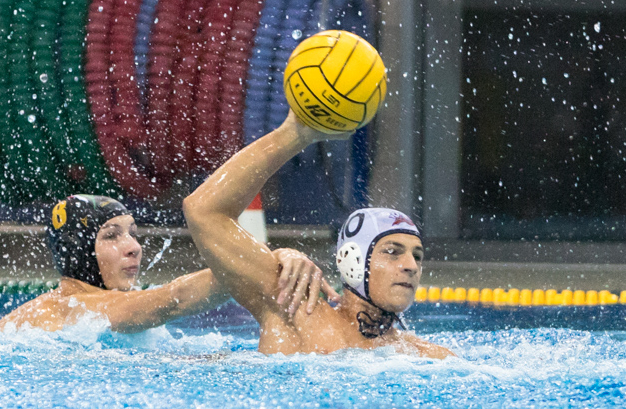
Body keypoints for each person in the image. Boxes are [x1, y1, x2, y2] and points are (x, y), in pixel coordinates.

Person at [181, 113, 450, 358]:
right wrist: (295, 134)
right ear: (353, 261)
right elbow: (203, 211)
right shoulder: (294, 308)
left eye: (417, 256)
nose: (411, 266)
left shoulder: (429, 356)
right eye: (392, 252)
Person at [0, 194, 336, 334]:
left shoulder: (71, 310)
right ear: (79, 252)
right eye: (112, 235)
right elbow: (174, 298)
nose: (133, 248)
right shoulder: (75, 309)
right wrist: (269, 260)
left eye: (132, 233)